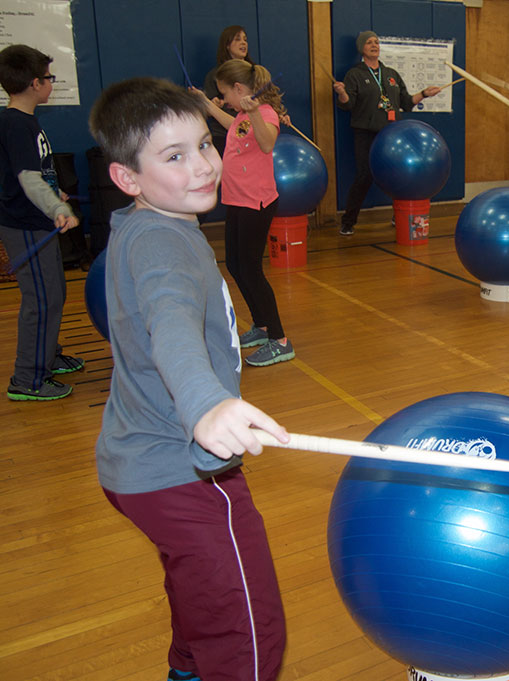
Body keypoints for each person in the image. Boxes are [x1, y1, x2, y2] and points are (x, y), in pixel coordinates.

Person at [89, 76, 290, 681]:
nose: (204, 166)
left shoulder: (149, 224)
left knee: (203, 589)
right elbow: (170, 319)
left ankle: (188, 670)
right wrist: (206, 405)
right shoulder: (161, 246)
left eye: (204, 145)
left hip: (134, 462)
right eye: (174, 157)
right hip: (182, 471)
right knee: (248, 629)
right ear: (128, 177)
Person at [194, 59, 295, 366]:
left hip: (256, 202)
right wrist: (206, 104)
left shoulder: (263, 114)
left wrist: (252, 111)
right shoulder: (241, 114)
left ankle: (280, 340)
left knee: (251, 269)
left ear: (239, 88)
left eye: (224, 93)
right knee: (236, 265)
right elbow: (232, 126)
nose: (222, 99)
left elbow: (266, 144)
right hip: (237, 199)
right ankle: (262, 326)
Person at [0, 44, 83, 401]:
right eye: (49, 78)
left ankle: (46, 356)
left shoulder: (25, 120)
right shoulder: (16, 123)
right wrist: (57, 209)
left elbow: (39, 174)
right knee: (41, 300)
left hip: (38, 219)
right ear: (35, 83)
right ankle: (28, 378)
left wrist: (57, 195)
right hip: (25, 223)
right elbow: (28, 180)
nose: (51, 83)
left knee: (54, 293)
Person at [333, 30, 441, 236]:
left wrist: (425, 94)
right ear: (362, 49)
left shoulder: (391, 74)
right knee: (364, 176)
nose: (374, 45)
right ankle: (348, 221)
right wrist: (343, 93)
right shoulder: (354, 74)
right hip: (366, 133)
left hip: (392, 135)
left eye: (376, 42)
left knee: (399, 174)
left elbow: (407, 103)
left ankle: (398, 215)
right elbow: (348, 105)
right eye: (369, 43)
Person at [202, 25, 252, 156]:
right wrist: (212, 105)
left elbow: (266, 102)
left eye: (245, 40)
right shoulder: (215, 75)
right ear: (227, 45)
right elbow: (205, 111)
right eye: (237, 39)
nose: (243, 43)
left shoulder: (255, 72)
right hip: (223, 135)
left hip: (251, 134)